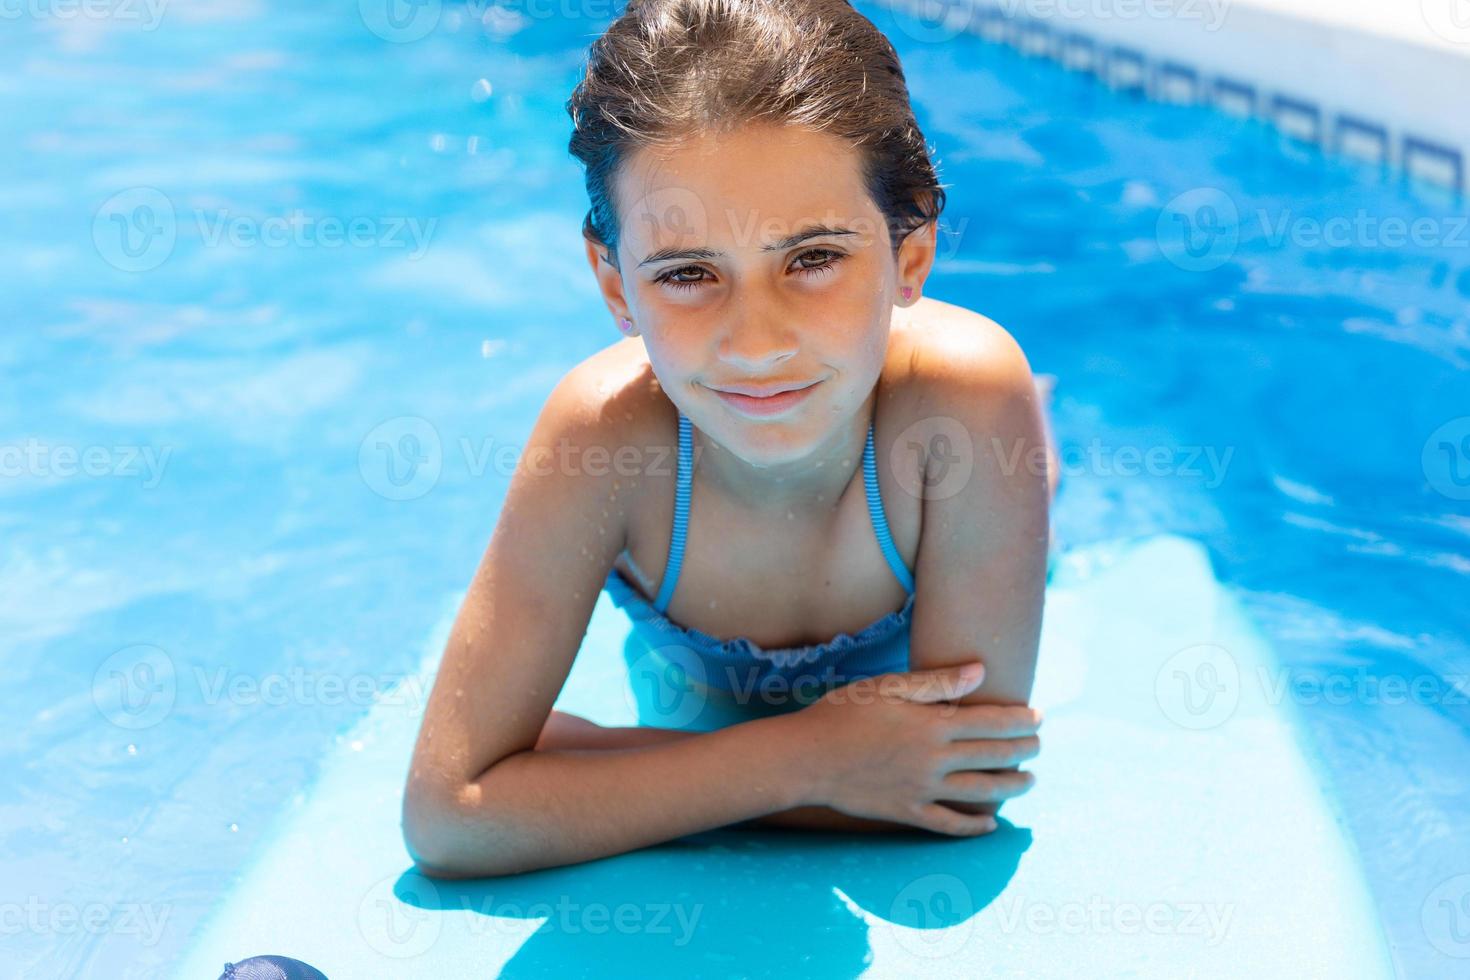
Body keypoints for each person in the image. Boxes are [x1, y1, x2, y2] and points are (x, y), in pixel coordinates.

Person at [402, 0, 1054, 879]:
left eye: (814, 258)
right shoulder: (604, 440)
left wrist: (585, 774)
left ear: (911, 257)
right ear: (615, 284)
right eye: (688, 274)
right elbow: (450, 817)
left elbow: (962, 785)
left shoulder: (960, 409)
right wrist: (815, 759)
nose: (756, 344)